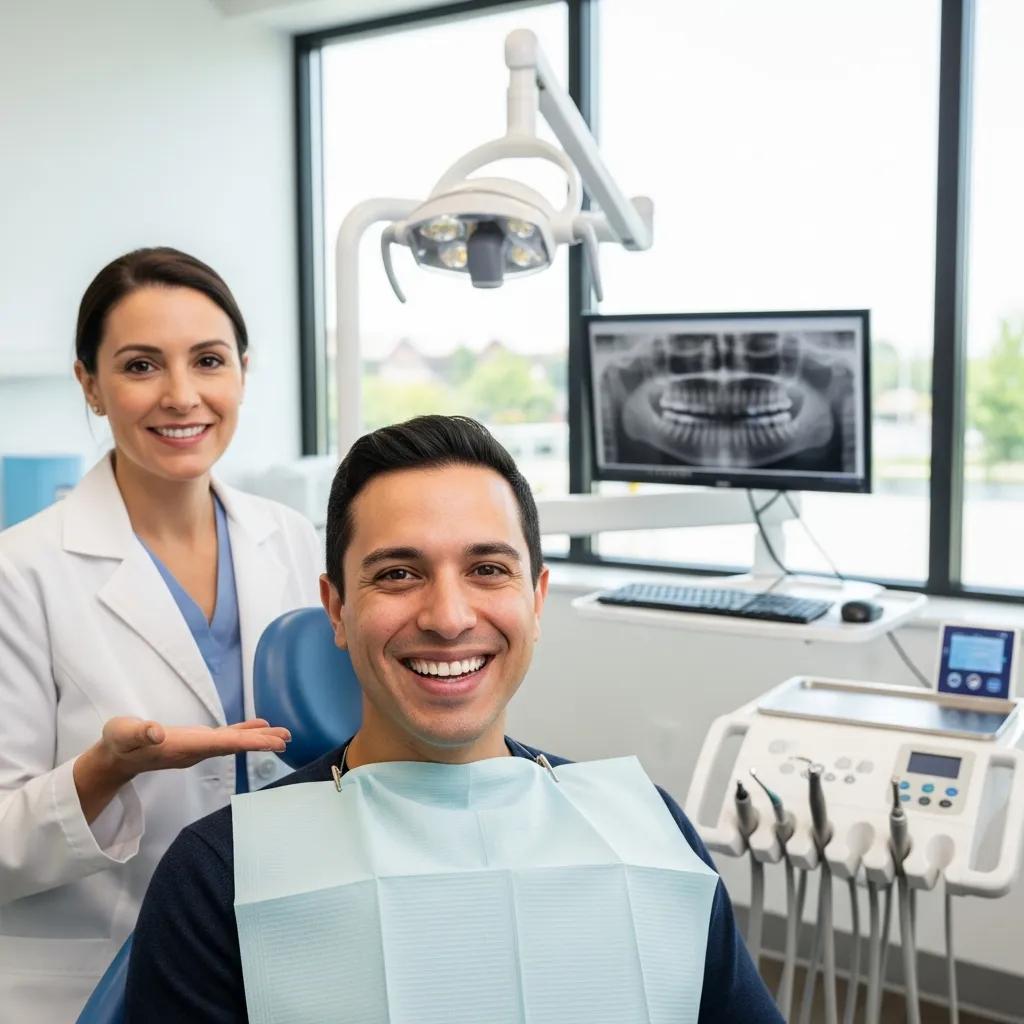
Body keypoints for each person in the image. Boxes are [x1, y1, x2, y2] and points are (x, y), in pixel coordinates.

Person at [126, 415, 782, 1023]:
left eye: (488, 569)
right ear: (336, 609)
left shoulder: (646, 831)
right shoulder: (222, 875)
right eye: (399, 573)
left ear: (536, 599)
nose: (449, 617)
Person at [0, 248, 321, 1023]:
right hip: (92, 985)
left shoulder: (294, 539)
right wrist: (104, 770)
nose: (182, 397)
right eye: (141, 365)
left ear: (243, 370)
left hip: (278, 964)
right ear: (91, 384)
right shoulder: (21, 573)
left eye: (208, 360)